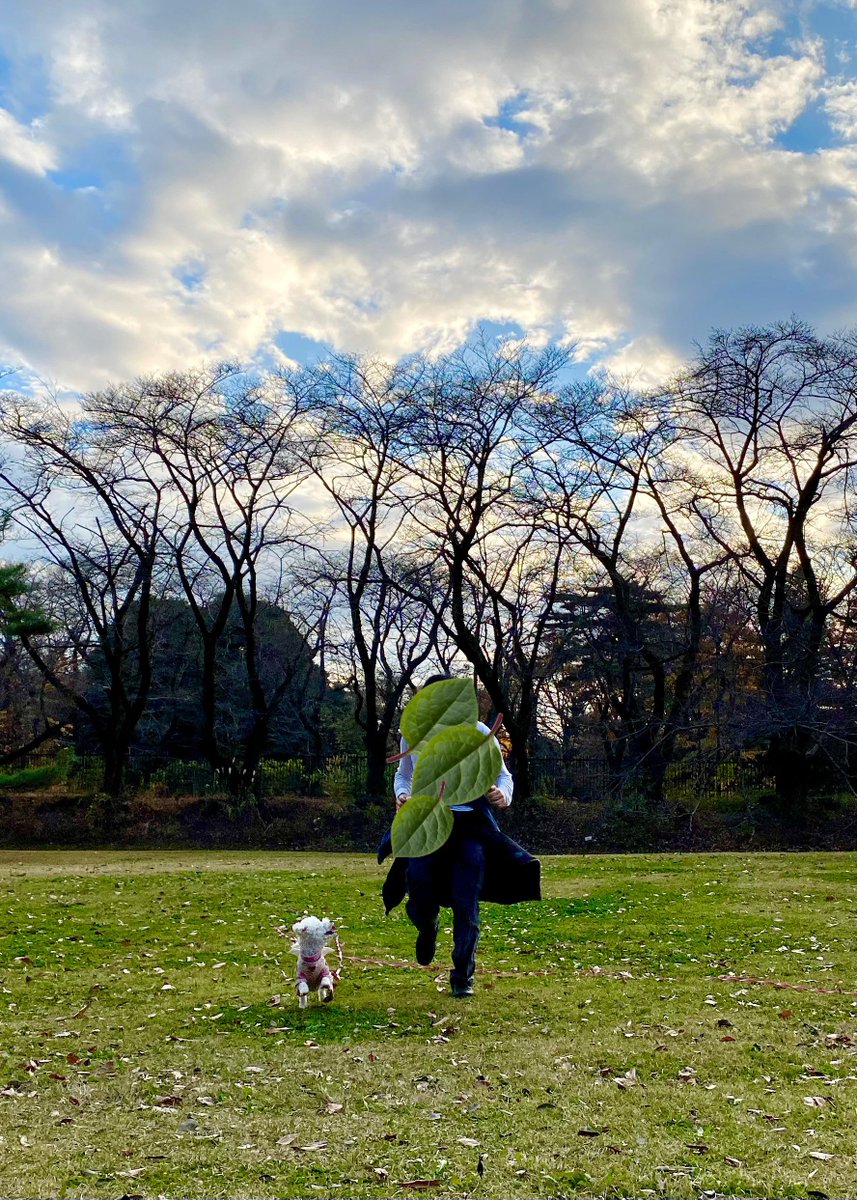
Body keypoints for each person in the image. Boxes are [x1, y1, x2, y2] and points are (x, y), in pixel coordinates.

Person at [378, 674, 541, 998]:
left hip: (471, 829)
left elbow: (502, 776)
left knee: (467, 901)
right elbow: (404, 774)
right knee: (419, 883)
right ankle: (427, 924)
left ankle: (462, 975)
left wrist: (502, 795)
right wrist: (402, 794)